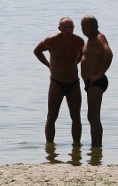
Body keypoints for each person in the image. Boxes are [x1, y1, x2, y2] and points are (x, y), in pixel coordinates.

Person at [34, 17, 85, 145]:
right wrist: (48, 65)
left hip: (73, 82)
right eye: (65, 27)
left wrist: (76, 63)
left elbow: (82, 54)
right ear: (59, 29)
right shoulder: (51, 40)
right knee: (52, 116)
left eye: (70, 27)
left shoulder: (79, 41)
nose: (68, 29)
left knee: (76, 116)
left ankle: (76, 146)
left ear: (74, 27)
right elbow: (37, 51)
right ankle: (49, 146)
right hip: (57, 81)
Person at [80, 15, 113, 148]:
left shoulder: (99, 37)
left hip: (97, 81)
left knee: (94, 116)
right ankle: (95, 146)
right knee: (91, 116)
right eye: (81, 26)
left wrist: (100, 73)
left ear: (94, 26)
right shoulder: (89, 40)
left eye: (85, 26)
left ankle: (96, 146)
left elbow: (108, 53)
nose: (82, 29)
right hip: (90, 82)